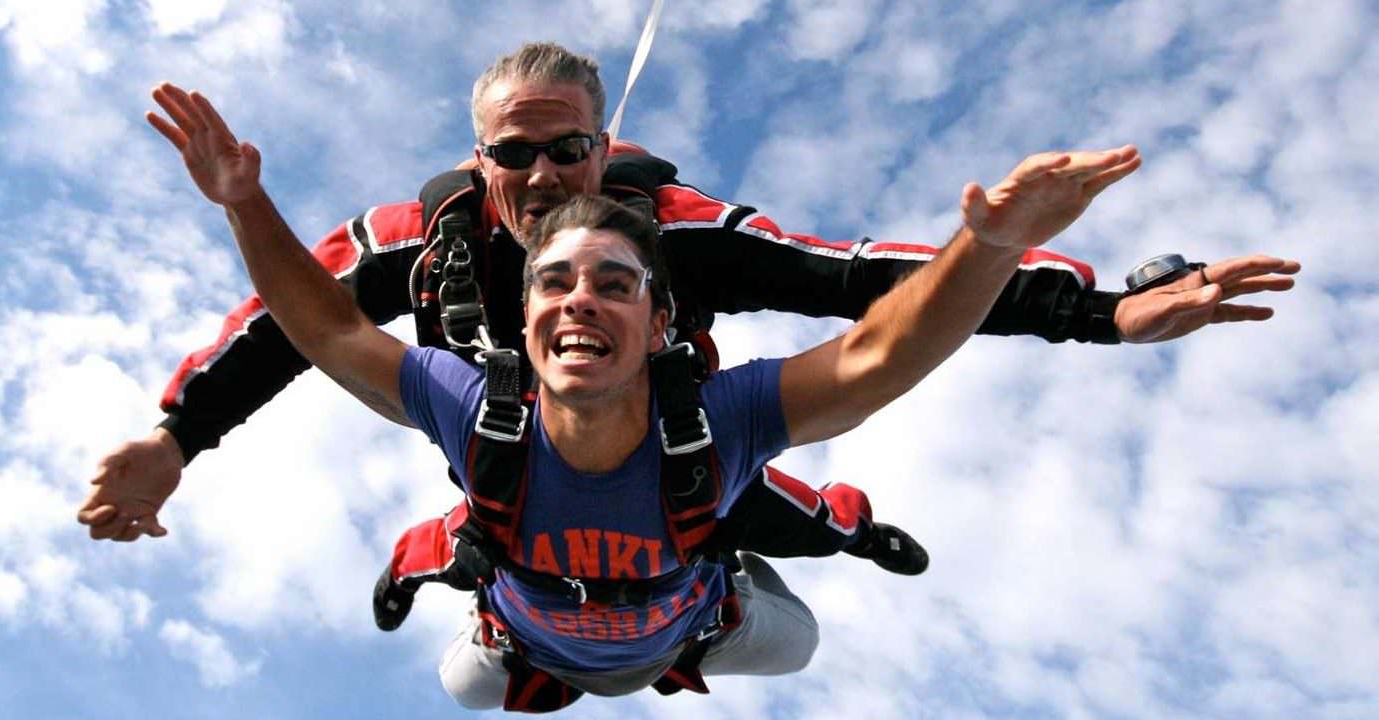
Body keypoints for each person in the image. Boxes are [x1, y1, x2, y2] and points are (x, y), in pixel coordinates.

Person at [76, 43, 1299, 636]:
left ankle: (840, 529)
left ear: (608, 152)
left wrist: (1094, 308)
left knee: (767, 508)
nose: (548, 177)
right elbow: (305, 322)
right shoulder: (424, 250)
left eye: (571, 151)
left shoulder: (686, 236)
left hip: (688, 453)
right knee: (469, 540)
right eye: (517, 155)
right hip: (511, 459)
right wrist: (179, 435)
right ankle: (448, 570)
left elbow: (865, 294)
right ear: (480, 158)